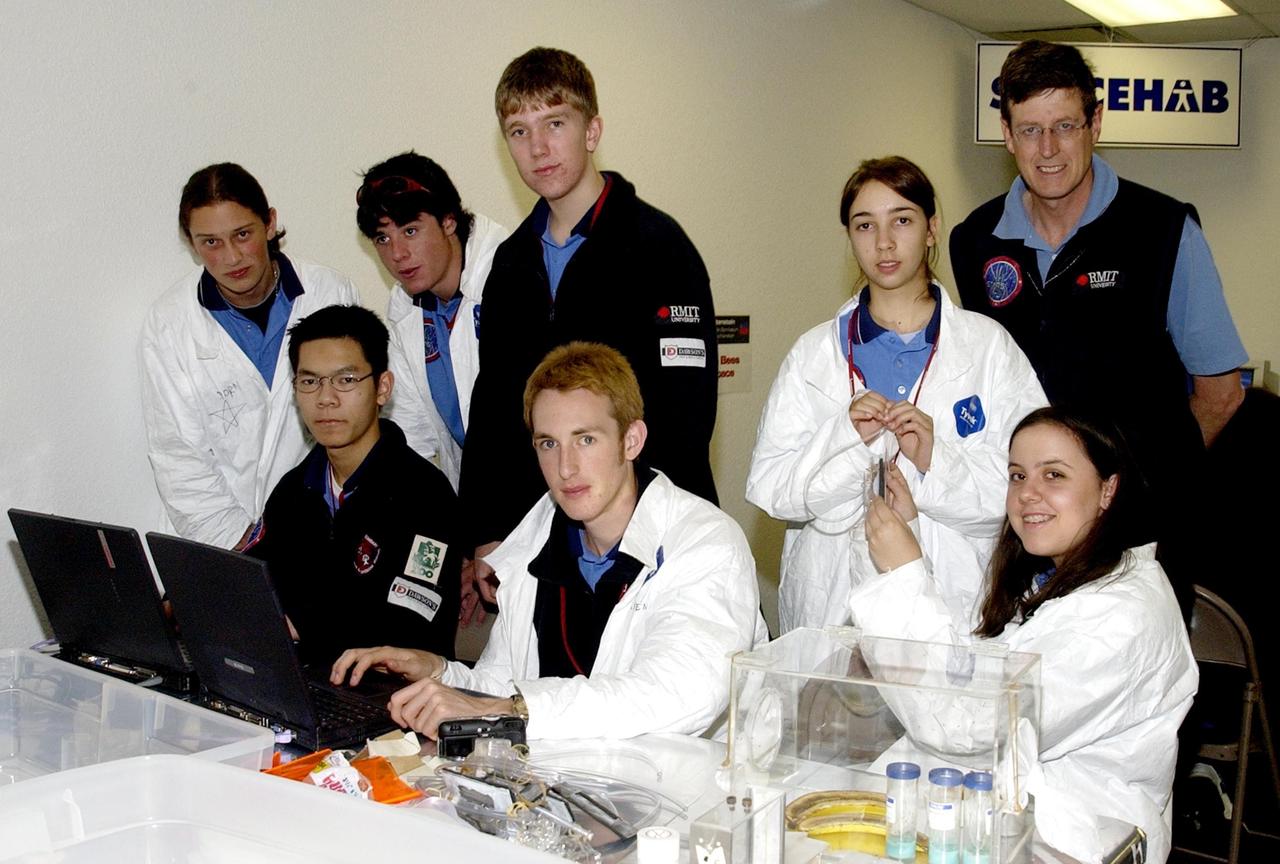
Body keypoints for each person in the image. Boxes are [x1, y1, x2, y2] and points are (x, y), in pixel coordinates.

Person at [331, 342, 766, 741]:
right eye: (548, 444)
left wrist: (511, 711)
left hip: (688, 797)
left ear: (631, 440)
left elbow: (680, 694)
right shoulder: (536, 544)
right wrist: (441, 673)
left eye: (586, 440)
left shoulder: (706, 542)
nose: (566, 468)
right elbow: (505, 684)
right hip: (566, 790)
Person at [949, 39, 1247, 616]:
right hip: (1025, 530)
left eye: (1065, 125)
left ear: (1095, 122)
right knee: (1024, 692)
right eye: (1031, 129)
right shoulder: (975, 241)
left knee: (1138, 699)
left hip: (1139, 533)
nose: (1049, 148)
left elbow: (1221, 394)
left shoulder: (1163, 232)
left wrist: (1137, 482)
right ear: (1007, 135)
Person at [854, 407, 1197, 863]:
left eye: (1053, 475)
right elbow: (974, 667)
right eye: (1017, 476)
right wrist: (911, 538)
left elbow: (969, 728)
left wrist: (902, 576)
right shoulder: (1063, 580)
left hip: (1076, 838)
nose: (1028, 494)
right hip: (1012, 821)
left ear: (1108, 489)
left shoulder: (1121, 617)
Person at [457, 46, 719, 623]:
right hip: (542, 542)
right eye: (519, 132)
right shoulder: (510, 263)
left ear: (592, 129)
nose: (539, 148)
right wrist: (487, 531)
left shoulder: (659, 247)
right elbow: (495, 405)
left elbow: (685, 413)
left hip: (648, 538)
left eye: (556, 124)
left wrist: (629, 532)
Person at [747, 156, 1045, 633]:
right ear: (849, 237)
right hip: (831, 608)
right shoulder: (814, 355)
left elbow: (1029, 491)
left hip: (957, 601)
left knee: (947, 708)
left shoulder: (989, 349)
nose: (884, 243)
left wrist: (934, 462)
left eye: (901, 220)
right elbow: (771, 489)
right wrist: (845, 441)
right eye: (865, 225)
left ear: (932, 229)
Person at [140, 163, 360, 548]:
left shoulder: (330, 293)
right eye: (210, 242)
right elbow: (179, 460)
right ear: (191, 243)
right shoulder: (170, 324)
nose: (231, 257)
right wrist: (247, 550)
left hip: (324, 534)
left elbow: (363, 423)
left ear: (270, 223)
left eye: (242, 235)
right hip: (219, 543)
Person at [244, 304, 459, 664]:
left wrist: (301, 623)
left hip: (391, 699)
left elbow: (410, 624)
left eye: (345, 380)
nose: (325, 398)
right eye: (309, 381)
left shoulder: (424, 493)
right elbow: (251, 578)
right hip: (305, 682)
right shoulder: (294, 490)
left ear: (382, 387)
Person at [355, 152, 509, 489]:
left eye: (410, 231)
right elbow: (413, 436)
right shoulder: (404, 309)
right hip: (476, 499)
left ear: (449, 220)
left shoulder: (513, 278)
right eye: (382, 238)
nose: (397, 254)